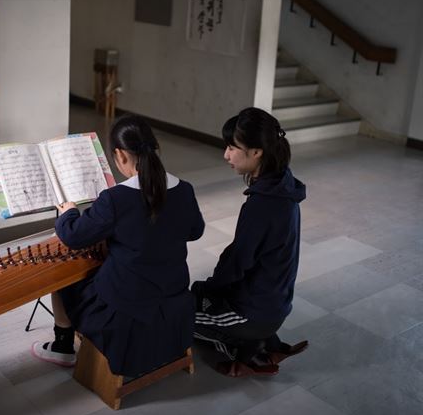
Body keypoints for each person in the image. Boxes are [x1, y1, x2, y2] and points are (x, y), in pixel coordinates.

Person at [31, 115, 205, 376]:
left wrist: (69, 211)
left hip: (124, 309)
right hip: (174, 295)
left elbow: (73, 236)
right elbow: (195, 231)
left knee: (64, 279)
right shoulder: (185, 189)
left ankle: (63, 346)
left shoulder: (116, 198)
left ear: (120, 156)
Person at [191, 107, 308, 377]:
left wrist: (209, 289)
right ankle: (265, 341)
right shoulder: (283, 185)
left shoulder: (263, 206)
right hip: (274, 303)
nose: (226, 155)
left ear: (256, 152)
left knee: (173, 314)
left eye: (233, 148)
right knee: (198, 294)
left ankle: (250, 351)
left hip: (252, 313)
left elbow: (237, 262)